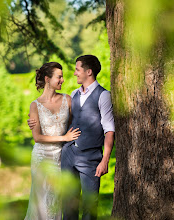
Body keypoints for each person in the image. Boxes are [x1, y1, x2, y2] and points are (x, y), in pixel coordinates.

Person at [28, 55, 115, 220]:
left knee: (90, 204)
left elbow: (109, 129)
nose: (74, 74)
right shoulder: (73, 94)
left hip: (90, 157)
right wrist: (34, 121)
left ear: (88, 72)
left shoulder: (103, 95)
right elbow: (63, 121)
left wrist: (105, 160)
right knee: (68, 205)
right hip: (67, 156)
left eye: (77, 69)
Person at [25, 62, 81, 220]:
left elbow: (74, 123)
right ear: (47, 79)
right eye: (59, 77)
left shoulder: (68, 100)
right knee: (41, 200)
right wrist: (64, 138)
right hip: (42, 157)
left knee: (55, 198)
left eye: (62, 76)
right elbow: (37, 137)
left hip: (60, 157)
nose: (63, 80)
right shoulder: (35, 106)